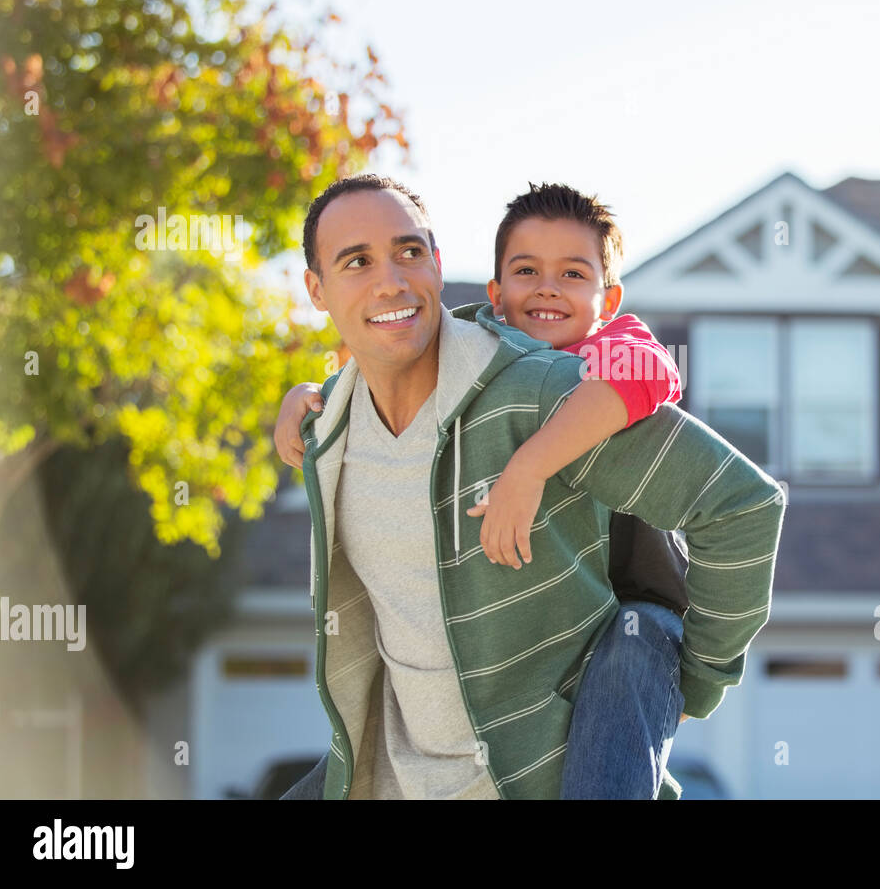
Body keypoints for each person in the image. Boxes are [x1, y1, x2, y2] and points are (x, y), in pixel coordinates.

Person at [277, 173, 785, 800]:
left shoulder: (550, 390)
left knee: (638, 639)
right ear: (316, 289)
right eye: (357, 260)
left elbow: (744, 506)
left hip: (549, 753)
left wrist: (700, 680)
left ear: (437, 264)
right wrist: (306, 403)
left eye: (409, 252)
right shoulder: (330, 429)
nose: (391, 279)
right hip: (390, 776)